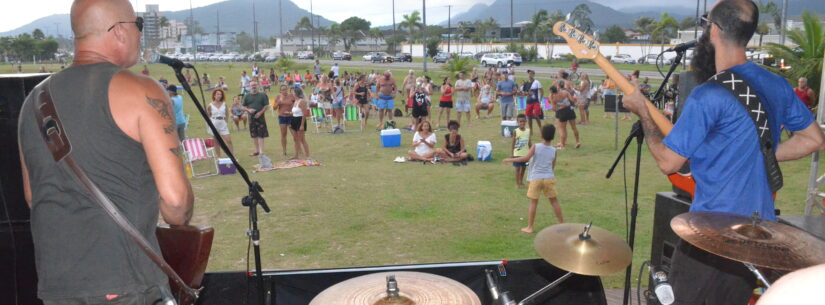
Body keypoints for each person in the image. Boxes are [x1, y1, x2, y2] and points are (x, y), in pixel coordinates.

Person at [619, 1, 825, 304]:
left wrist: (643, 112)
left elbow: (668, 161)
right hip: (760, 238)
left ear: (713, 30)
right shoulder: (777, 84)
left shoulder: (708, 95)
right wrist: (759, 154)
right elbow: (812, 139)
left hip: (711, 236)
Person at [17, 0, 193, 303]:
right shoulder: (141, 90)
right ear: (120, 31)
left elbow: (34, 196)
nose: (140, 34)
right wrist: (182, 215)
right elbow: (175, 202)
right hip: (127, 284)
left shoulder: (33, 101)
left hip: (57, 287)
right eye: (137, 25)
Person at [503, 124, 563, 233]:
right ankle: (562, 225)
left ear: (542, 135)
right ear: (553, 136)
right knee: (554, 201)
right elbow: (552, 166)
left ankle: (530, 227)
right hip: (549, 177)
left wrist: (510, 160)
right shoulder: (554, 150)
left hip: (536, 178)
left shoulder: (536, 146)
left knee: (534, 202)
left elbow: (525, 158)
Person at [242, 80, 270, 156]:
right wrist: (248, 110)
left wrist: (260, 112)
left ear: (257, 85)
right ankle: (257, 151)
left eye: (255, 85)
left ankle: (261, 151)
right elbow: (243, 106)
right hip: (251, 118)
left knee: (261, 134)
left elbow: (266, 106)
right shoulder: (247, 96)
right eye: (252, 85)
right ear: (249, 86)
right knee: (254, 135)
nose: (253, 86)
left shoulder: (262, 95)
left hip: (260, 117)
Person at [550, 83, 580, 149]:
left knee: (562, 129)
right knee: (574, 127)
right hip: (570, 110)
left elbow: (554, 108)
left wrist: (559, 107)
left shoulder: (552, 96)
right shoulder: (565, 92)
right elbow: (572, 100)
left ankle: (562, 145)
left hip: (561, 112)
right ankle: (577, 142)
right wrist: (571, 104)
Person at [206, 89, 233, 158]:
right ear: (214, 95)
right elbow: (208, 115)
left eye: (220, 94)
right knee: (216, 142)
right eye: (217, 94)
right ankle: (219, 157)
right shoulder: (210, 105)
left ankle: (231, 156)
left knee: (228, 140)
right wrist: (210, 124)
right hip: (214, 123)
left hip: (222, 123)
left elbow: (227, 113)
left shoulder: (224, 104)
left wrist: (226, 121)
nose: (219, 96)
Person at [273, 84, 294, 156]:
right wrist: (278, 102)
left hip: (291, 116)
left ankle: (298, 150)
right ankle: (284, 151)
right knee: (283, 134)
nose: (284, 91)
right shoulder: (278, 97)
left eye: (285, 89)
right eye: (283, 90)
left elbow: (296, 104)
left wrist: (292, 112)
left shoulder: (291, 95)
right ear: (280, 91)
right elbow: (274, 108)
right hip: (282, 117)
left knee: (295, 134)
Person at [289, 87, 310, 159]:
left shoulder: (302, 101)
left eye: (293, 92)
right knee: (295, 139)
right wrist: (290, 113)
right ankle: (296, 155)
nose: (292, 93)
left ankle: (307, 155)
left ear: (296, 93)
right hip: (294, 119)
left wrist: (302, 125)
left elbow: (304, 114)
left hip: (300, 120)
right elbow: (295, 111)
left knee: (302, 139)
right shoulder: (295, 101)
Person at [511, 114, 530, 188]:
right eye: (520, 121)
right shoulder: (515, 131)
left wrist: (532, 151)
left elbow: (529, 142)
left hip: (526, 154)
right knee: (517, 169)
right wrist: (512, 153)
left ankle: (521, 181)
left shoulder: (528, 131)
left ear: (526, 121)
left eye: (523, 121)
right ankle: (517, 183)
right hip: (517, 154)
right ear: (517, 122)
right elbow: (513, 143)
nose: (522, 123)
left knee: (524, 168)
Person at [524, 70, 544, 134]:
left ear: (533, 75)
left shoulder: (537, 82)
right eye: (529, 74)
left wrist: (540, 100)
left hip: (536, 101)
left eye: (531, 74)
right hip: (528, 102)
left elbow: (542, 91)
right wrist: (526, 93)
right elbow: (524, 93)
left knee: (536, 115)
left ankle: (540, 128)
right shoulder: (526, 83)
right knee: (528, 116)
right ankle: (531, 130)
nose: (530, 75)